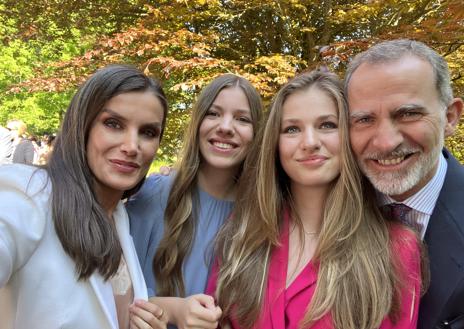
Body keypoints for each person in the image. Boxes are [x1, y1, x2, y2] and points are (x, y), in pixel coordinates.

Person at [207, 70, 425, 329]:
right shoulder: (243, 232)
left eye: (327, 125)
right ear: (274, 145)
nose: (309, 142)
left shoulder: (397, 248)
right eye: (292, 129)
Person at [0, 64, 169, 329]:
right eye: (113, 124)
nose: (131, 146)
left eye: (147, 132)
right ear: (83, 126)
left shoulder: (120, 217)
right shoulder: (30, 194)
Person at [127, 73, 263, 329]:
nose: (225, 126)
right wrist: (174, 310)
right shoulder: (155, 195)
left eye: (242, 119)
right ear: (198, 122)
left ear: (257, 133)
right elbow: (116, 290)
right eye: (213, 113)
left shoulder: (261, 216)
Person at [344, 39, 464, 329]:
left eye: (408, 114)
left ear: (450, 117)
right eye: (364, 119)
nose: (386, 142)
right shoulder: (326, 209)